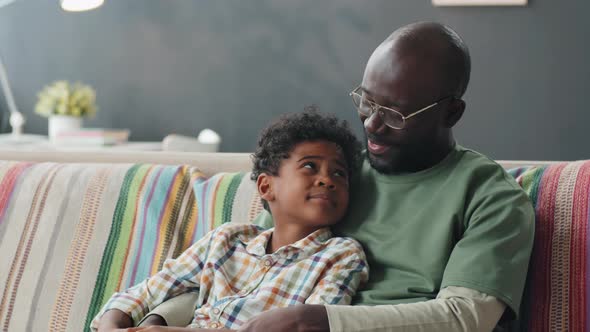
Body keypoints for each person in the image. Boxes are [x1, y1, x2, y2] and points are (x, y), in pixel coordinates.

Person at [142, 21, 535, 332]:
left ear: (451, 114)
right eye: (367, 101)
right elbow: (241, 273)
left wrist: (317, 321)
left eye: (395, 114)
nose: (372, 125)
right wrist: (155, 320)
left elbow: (464, 318)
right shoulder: (333, 173)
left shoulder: (490, 196)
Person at [91, 109, 369, 331]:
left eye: (339, 174)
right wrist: (111, 323)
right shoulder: (227, 240)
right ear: (266, 187)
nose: (327, 180)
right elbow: (149, 291)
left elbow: (314, 325)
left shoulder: (340, 255)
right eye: (310, 166)